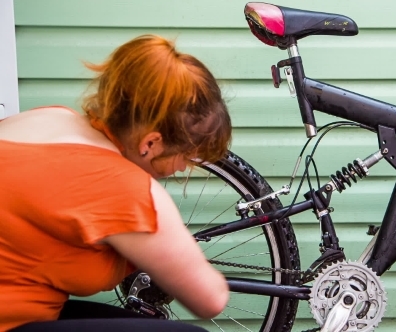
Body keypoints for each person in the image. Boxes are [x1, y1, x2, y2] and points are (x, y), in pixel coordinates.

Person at [0, 34, 231, 331]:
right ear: (151, 143)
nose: (184, 166)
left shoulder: (47, 117)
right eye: (186, 156)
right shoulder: (120, 185)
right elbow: (210, 299)